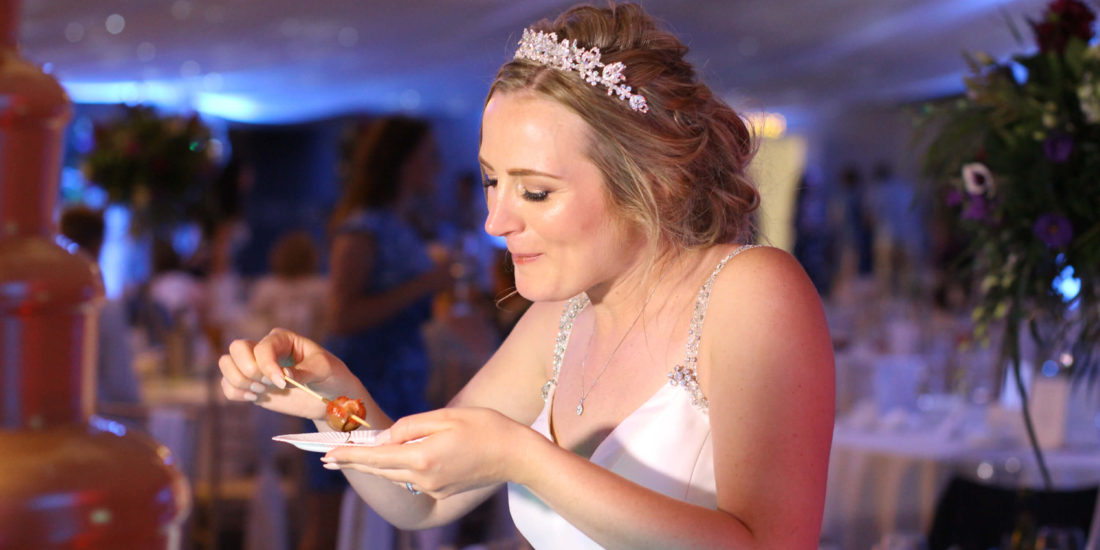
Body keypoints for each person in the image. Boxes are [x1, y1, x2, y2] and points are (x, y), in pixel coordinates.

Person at [219, 4, 834, 549]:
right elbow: (421, 498)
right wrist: (335, 397)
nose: (495, 220)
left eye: (535, 191)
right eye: (492, 180)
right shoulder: (558, 323)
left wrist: (526, 459)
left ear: (648, 184)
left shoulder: (748, 291)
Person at [295, 115, 454, 550]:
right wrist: (427, 283)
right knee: (332, 517)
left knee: (395, 518)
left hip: (400, 386)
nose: (437, 168)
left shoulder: (403, 224)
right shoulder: (362, 228)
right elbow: (341, 316)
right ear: (403, 162)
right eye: (429, 158)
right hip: (361, 385)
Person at [59, 206, 143, 410]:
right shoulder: (102, 306)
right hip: (102, 421)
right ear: (98, 244)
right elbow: (123, 389)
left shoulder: (46, 300)